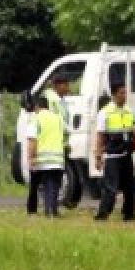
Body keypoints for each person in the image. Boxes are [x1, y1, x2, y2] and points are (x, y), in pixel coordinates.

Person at [94, 83, 135, 222]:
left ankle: (129, 213)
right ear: (114, 95)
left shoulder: (129, 111)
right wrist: (98, 156)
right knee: (111, 187)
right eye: (121, 93)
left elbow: (133, 130)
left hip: (127, 154)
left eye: (125, 93)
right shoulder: (105, 112)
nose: (124, 96)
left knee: (130, 187)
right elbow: (100, 135)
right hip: (113, 155)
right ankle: (103, 213)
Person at [44, 75, 81, 207]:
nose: (68, 88)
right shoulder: (52, 100)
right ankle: (50, 207)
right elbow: (57, 121)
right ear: (57, 85)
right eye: (65, 85)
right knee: (52, 178)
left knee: (57, 177)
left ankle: (52, 207)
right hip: (52, 144)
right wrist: (70, 130)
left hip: (60, 143)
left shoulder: (60, 100)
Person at [26, 95, 65, 217]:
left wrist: (31, 157)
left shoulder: (36, 118)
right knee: (54, 186)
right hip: (57, 159)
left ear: (37, 106)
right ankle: (52, 210)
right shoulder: (57, 118)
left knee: (41, 185)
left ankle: (40, 211)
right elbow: (64, 134)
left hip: (42, 159)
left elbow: (32, 140)